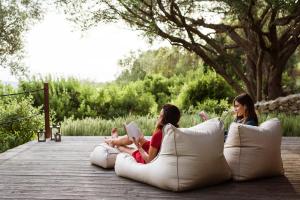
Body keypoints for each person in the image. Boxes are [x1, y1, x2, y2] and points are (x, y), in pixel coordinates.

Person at [105, 104, 181, 164]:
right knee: (135, 136)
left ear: (165, 119)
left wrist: (138, 146)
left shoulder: (158, 134)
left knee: (124, 148)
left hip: (147, 157)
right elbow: (157, 145)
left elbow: (149, 160)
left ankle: (113, 141)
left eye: (160, 116)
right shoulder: (173, 130)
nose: (158, 117)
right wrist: (141, 139)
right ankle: (114, 140)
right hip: (154, 149)